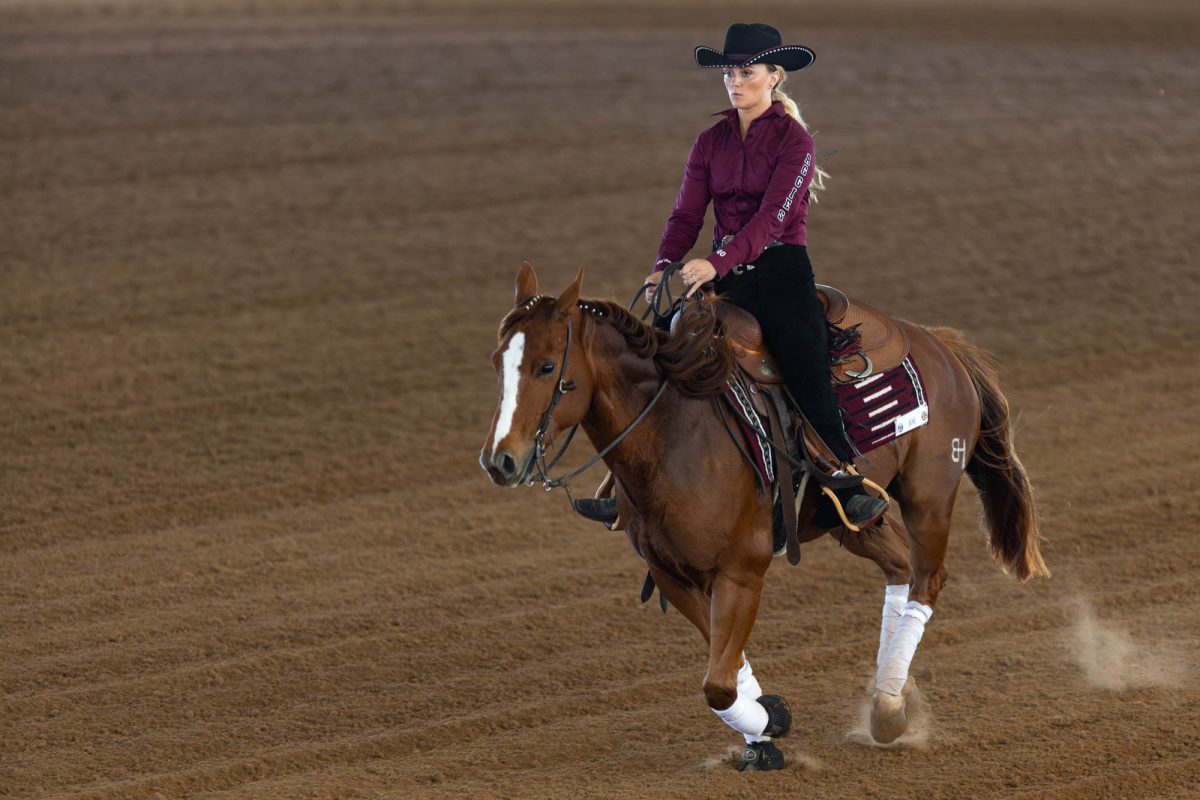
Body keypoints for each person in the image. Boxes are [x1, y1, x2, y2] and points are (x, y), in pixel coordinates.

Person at [576, 22, 886, 530]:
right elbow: (685, 216)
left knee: (805, 365)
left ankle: (844, 477)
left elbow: (774, 219)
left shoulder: (796, 142)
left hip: (781, 274)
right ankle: (622, 486)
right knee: (662, 356)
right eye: (728, 71)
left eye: (746, 71)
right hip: (726, 280)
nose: (734, 81)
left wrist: (715, 263)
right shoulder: (710, 141)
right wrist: (662, 266)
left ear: (774, 76)